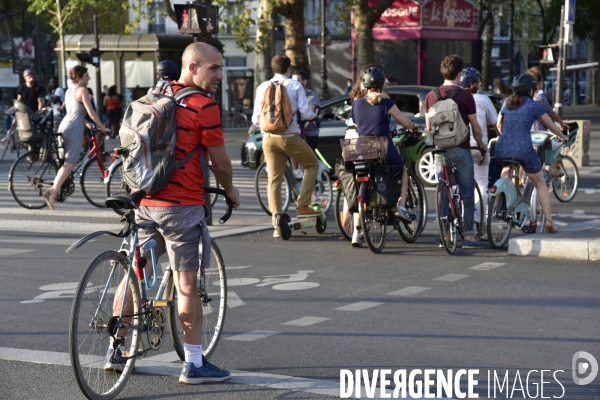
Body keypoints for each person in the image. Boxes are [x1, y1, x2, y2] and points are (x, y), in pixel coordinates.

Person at [129, 42, 240, 384]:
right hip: (182, 209)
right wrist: (232, 192)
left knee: (134, 276)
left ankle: (116, 350)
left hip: (146, 201)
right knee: (187, 285)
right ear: (192, 67)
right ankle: (194, 363)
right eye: (214, 68)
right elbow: (220, 163)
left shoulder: (153, 97)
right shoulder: (202, 105)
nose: (220, 75)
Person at [252, 54, 320, 238]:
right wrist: (312, 116)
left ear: (272, 69)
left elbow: (256, 118)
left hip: (268, 138)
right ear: (288, 69)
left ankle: (276, 224)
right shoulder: (294, 85)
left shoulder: (262, 87)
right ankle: (303, 204)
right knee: (312, 165)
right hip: (289, 136)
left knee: (274, 180)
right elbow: (306, 113)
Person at [424, 54, 488, 249]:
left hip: (439, 150)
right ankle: (468, 236)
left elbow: (428, 127)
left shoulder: (431, 96)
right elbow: (475, 126)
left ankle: (445, 234)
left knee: (443, 189)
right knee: (467, 192)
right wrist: (481, 143)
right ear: (459, 74)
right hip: (461, 149)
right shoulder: (465, 96)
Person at [350, 66, 418, 246]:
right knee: (402, 171)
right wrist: (414, 127)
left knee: (361, 185)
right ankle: (401, 207)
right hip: (383, 147)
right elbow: (404, 121)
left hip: (361, 148)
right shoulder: (386, 103)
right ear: (382, 84)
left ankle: (357, 232)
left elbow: (356, 124)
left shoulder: (356, 103)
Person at [494, 74, 568, 233]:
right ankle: (549, 221)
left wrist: (506, 135)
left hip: (502, 146)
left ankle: (502, 198)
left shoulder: (507, 104)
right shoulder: (534, 106)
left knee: (507, 167)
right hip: (523, 148)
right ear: (530, 90)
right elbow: (552, 127)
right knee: (540, 182)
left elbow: (499, 124)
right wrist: (563, 136)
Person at [43, 66, 109, 210]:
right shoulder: (83, 90)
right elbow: (91, 112)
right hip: (74, 129)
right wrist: (103, 127)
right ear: (79, 77)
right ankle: (53, 191)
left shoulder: (69, 90)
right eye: (86, 76)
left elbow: (74, 111)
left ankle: (59, 189)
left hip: (65, 124)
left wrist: (88, 123)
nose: (89, 78)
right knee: (70, 163)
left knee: (64, 163)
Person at [458, 67, 498, 237]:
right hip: (477, 147)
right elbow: (497, 123)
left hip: (458, 146)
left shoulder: (455, 98)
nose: (480, 83)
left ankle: (457, 218)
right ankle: (480, 223)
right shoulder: (483, 99)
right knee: (481, 185)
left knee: (459, 184)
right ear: (474, 84)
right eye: (478, 81)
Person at [526, 66, 569, 177]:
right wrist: (561, 123)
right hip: (538, 133)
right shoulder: (540, 97)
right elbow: (551, 113)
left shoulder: (524, 98)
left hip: (526, 132)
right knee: (555, 145)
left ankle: (521, 176)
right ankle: (553, 170)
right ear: (540, 82)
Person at [290, 70, 320, 179]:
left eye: (297, 81)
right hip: (296, 132)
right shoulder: (291, 95)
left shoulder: (312, 96)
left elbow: (309, 114)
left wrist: (301, 124)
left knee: (306, 163)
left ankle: (312, 192)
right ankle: (295, 171)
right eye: (293, 81)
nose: (295, 84)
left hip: (309, 133)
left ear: (305, 81)